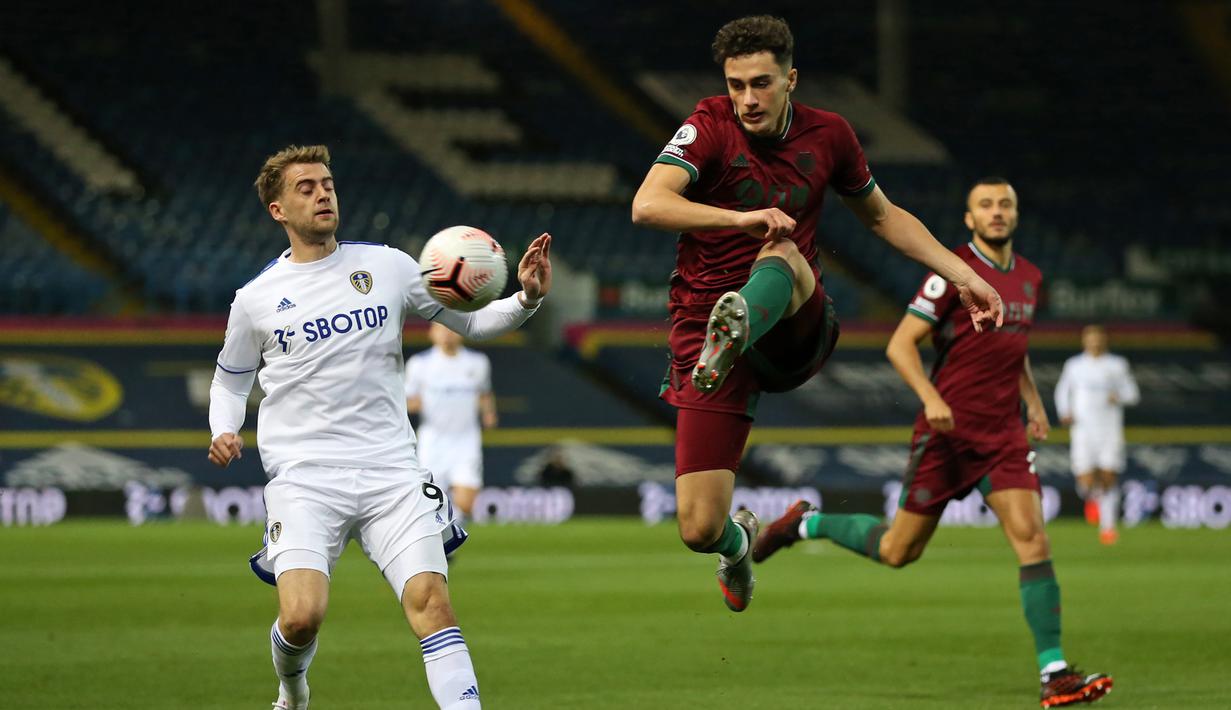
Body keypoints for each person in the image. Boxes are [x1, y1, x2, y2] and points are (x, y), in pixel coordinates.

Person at [630, 15, 1003, 614]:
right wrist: (738, 220)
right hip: (705, 336)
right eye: (735, 84)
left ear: (791, 79)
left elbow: (883, 217)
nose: (747, 98)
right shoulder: (707, 125)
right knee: (698, 527)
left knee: (781, 251)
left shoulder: (830, 135)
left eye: (761, 83)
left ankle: (746, 315)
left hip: (793, 324)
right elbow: (647, 203)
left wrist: (966, 276)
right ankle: (740, 545)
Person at [207, 144, 552, 710]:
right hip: (305, 477)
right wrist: (225, 427)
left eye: (327, 183)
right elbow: (230, 380)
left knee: (432, 604)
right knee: (300, 617)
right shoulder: (255, 300)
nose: (322, 193)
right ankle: (292, 691)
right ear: (277, 210)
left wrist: (526, 299)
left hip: (393, 471)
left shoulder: (389, 266)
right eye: (305, 187)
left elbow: (472, 323)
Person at [754, 178, 1113, 707]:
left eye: (1005, 204)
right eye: (985, 206)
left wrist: (1032, 400)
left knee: (1033, 540)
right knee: (899, 551)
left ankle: (1054, 673)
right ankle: (805, 522)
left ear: (1016, 214)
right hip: (947, 435)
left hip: (1002, 437)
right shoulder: (950, 274)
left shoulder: (1031, 278)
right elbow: (900, 345)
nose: (996, 213)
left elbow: (1010, 347)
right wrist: (930, 397)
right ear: (969, 219)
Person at [1054, 325, 1140, 544]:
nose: (1095, 342)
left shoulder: (1117, 365)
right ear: (1084, 341)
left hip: (1110, 430)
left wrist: (1119, 397)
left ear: (1105, 340)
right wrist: (1064, 412)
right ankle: (1093, 500)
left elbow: (1133, 394)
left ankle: (1108, 528)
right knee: (1086, 481)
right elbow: (1062, 391)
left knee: (1109, 477)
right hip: (1082, 430)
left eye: (1098, 338)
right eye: (1091, 339)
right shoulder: (1074, 365)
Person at [405, 322, 498, 520]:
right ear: (432, 333)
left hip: (466, 441)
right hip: (433, 442)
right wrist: (415, 405)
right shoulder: (419, 364)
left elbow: (484, 393)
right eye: (441, 328)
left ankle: (449, 539)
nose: (447, 333)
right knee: (429, 502)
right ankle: (443, 546)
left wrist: (489, 414)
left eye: (452, 328)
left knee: (466, 502)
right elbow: (407, 401)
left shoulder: (477, 362)